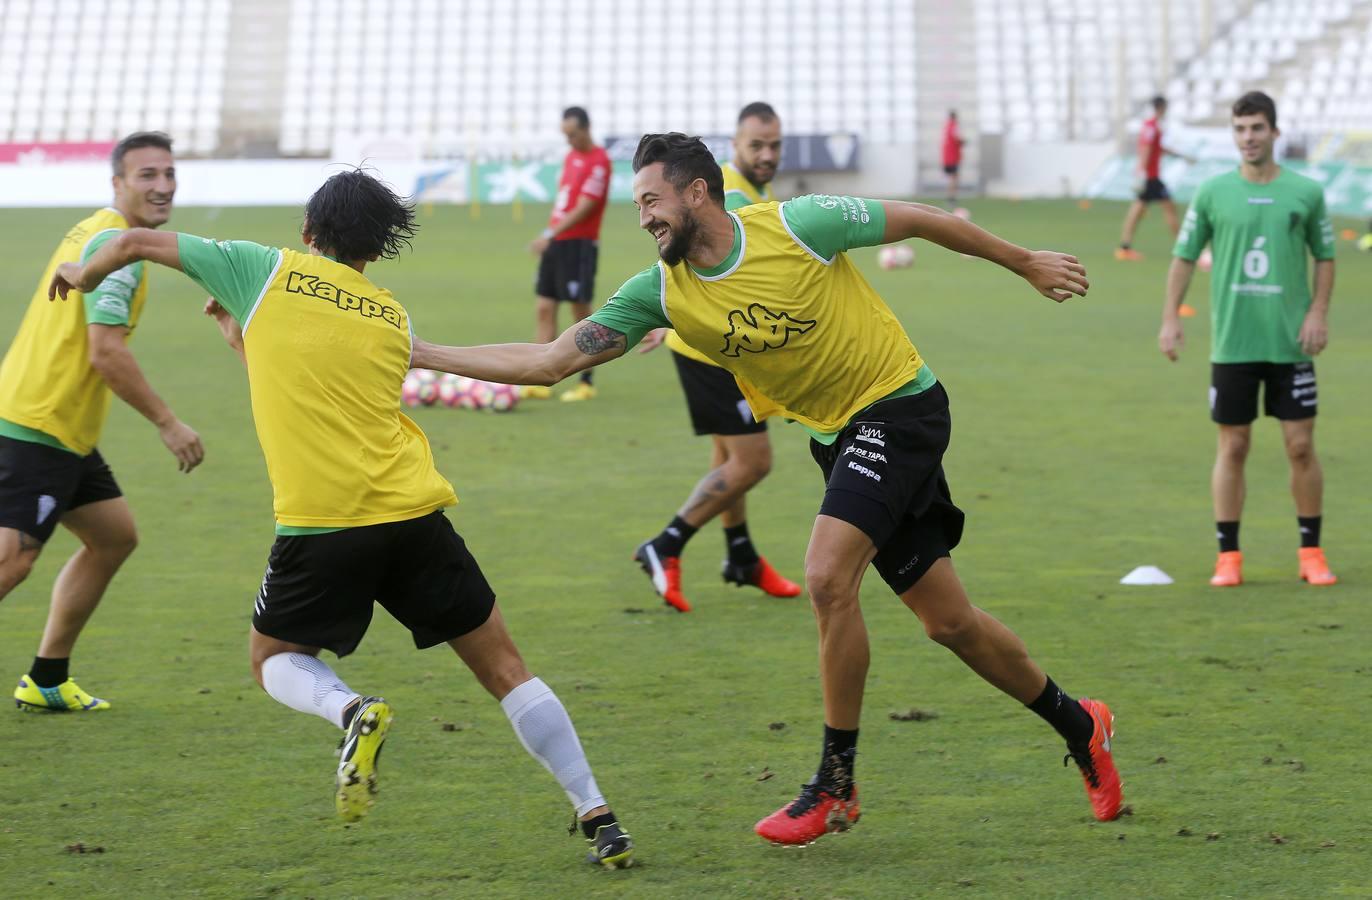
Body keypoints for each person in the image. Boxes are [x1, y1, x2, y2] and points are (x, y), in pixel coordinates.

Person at [411, 133, 1122, 846]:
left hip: (900, 407)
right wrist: (421, 352)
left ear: (697, 191)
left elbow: (919, 218)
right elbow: (548, 361)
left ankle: (835, 785)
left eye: (652, 201)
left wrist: (1024, 261)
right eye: (638, 206)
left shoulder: (798, 226)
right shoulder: (658, 291)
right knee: (949, 623)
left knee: (825, 576)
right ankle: (1080, 723)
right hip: (836, 437)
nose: (644, 218)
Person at [48, 169, 634, 868]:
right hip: (415, 514)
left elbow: (137, 240)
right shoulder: (388, 315)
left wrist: (81, 273)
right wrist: (243, 337)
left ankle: (350, 711)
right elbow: (321, 383)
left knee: (272, 659)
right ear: (377, 249)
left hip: (323, 525)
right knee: (507, 668)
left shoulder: (259, 268)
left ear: (306, 231)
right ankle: (598, 814)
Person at [1, 131, 204, 713]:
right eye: (148, 175)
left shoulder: (94, 226)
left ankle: (46, 678)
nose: (163, 186)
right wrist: (169, 423)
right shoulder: (118, 251)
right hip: (40, 423)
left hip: (60, 423)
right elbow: (105, 351)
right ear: (118, 182)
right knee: (12, 561)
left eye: (169, 173)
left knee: (113, 537)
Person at [1160, 91, 1337, 589]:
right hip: (1233, 344)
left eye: (1257, 128)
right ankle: (1229, 557)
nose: (1248, 138)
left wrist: (1318, 312)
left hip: (1291, 342)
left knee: (1301, 446)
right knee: (1233, 446)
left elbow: (1325, 255)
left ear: (1275, 133)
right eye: (1240, 129)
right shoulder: (1214, 192)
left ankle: (1311, 552)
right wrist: (1170, 316)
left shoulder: (1305, 192)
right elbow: (1184, 256)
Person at [632, 102, 801, 612]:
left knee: (729, 460)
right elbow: (677, 237)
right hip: (713, 351)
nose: (766, 154)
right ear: (736, 144)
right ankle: (667, 544)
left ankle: (741, 555)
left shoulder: (753, 192)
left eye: (774, 144)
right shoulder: (726, 189)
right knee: (753, 462)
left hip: (720, 344)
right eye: (756, 145)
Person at [524, 106, 612, 403]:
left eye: (573, 134)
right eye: (566, 135)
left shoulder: (599, 161)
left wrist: (549, 234)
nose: (569, 140)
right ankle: (539, 377)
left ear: (586, 129)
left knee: (580, 313)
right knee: (544, 308)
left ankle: (587, 381)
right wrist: (551, 235)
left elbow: (584, 207)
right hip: (557, 243)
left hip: (578, 245)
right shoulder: (571, 157)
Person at [1117, 97, 1190, 294]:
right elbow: (1147, 149)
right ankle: (1184, 248)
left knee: (1139, 210)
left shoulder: (1152, 126)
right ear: (1161, 108)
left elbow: (1156, 148)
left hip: (1149, 176)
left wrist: (1180, 155)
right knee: (1168, 209)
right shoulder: (1151, 126)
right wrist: (1142, 172)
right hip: (1151, 177)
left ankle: (1125, 246)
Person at [941, 110, 963, 205]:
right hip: (953, 157)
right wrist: (963, 142)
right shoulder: (954, 126)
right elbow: (956, 138)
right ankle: (951, 198)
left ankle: (950, 197)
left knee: (951, 177)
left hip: (946, 157)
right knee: (954, 178)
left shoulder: (946, 126)